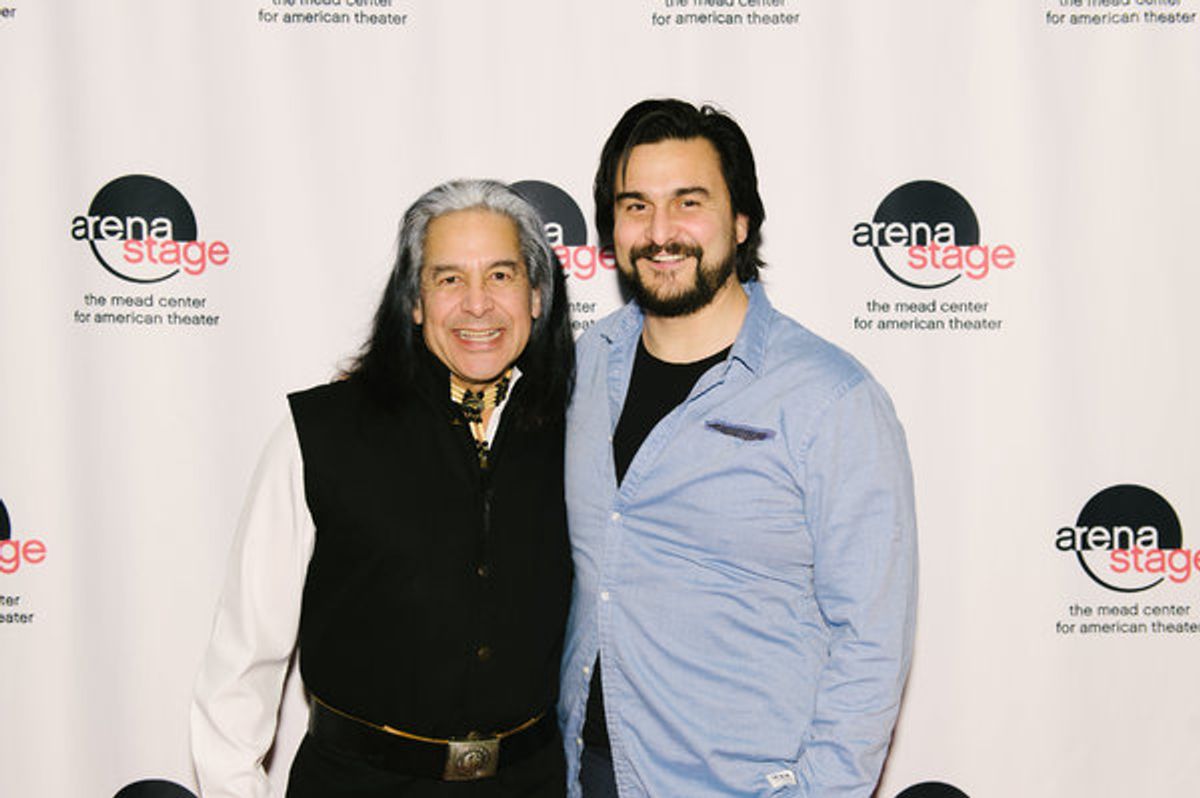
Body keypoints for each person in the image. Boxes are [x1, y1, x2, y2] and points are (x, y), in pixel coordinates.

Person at [559, 99, 918, 798]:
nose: (661, 232)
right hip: (591, 775)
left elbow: (872, 641)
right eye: (636, 206)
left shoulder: (831, 399)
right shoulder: (585, 366)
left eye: (688, 202)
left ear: (741, 219)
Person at [191, 179, 575, 798]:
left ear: (536, 295)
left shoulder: (581, 435)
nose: (478, 305)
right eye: (449, 278)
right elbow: (242, 666)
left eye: (501, 276)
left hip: (533, 783)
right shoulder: (320, 433)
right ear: (415, 301)